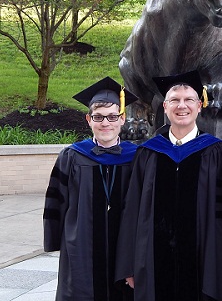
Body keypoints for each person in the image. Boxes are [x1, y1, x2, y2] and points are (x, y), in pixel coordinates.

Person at [115, 70, 222, 301]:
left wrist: (221, 263)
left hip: (202, 264)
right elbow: (132, 211)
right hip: (153, 262)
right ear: (165, 107)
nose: (182, 106)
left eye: (189, 100)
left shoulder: (216, 152)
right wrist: (129, 264)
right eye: (174, 100)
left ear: (200, 106)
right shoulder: (148, 153)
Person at [43, 77, 138, 301]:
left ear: (122, 119)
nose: (106, 123)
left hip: (123, 246)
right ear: (88, 120)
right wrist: (56, 240)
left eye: (112, 117)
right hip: (81, 246)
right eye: (98, 117)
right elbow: (56, 201)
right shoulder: (72, 156)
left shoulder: (138, 158)